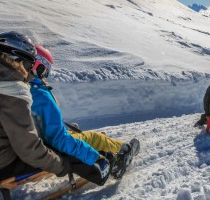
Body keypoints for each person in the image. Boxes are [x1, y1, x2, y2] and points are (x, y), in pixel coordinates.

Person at [30, 44, 140, 180]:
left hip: (38, 143)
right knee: (95, 137)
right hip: (51, 145)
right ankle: (123, 151)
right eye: (46, 70)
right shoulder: (39, 94)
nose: (46, 75)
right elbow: (59, 139)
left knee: (79, 135)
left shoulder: (22, 90)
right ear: (37, 66)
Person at [0, 31, 71, 183]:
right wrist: (61, 165)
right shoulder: (12, 92)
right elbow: (28, 149)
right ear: (16, 59)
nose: (28, 72)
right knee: (54, 151)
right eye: (28, 64)